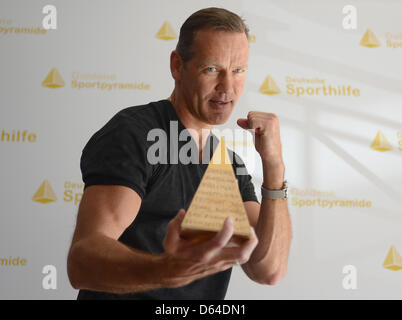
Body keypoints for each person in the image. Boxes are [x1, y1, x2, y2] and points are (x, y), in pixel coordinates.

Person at [67, 7, 292, 300]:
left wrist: (274, 169)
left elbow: (268, 270)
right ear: (177, 66)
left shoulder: (229, 166)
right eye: (212, 69)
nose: (227, 88)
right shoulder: (136, 135)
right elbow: (82, 262)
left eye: (237, 71)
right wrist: (165, 270)